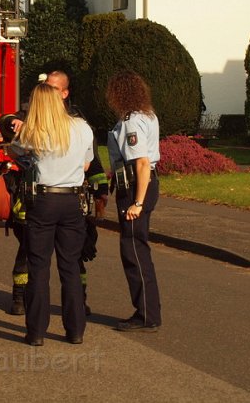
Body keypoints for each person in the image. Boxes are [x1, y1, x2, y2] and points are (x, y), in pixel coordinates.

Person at [0, 70, 108, 316]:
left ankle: (78, 302)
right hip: (32, 195)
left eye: (53, 88)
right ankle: (20, 298)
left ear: (65, 93)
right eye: (45, 86)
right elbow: (5, 123)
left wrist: (101, 190)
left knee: (73, 257)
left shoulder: (78, 121)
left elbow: (92, 162)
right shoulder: (31, 114)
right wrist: (12, 123)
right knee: (30, 252)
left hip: (65, 197)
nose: (46, 92)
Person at [8, 82, 94, 346]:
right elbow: (87, 162)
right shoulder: (82, 127)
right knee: (69, 267)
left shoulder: (33, 131)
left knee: (39, 267)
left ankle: (36, 332)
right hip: (72, 200)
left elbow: (14, 150)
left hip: (43, 200)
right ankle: (76, 330)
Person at [106, 70, 162, 333]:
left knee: (134, 250)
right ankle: (148, 312)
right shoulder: (147, 116)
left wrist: (136, 203)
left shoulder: (130, 121)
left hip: (135, 187)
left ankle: (146, 315)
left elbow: (140, 162)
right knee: (138, 248)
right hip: (141, 183)